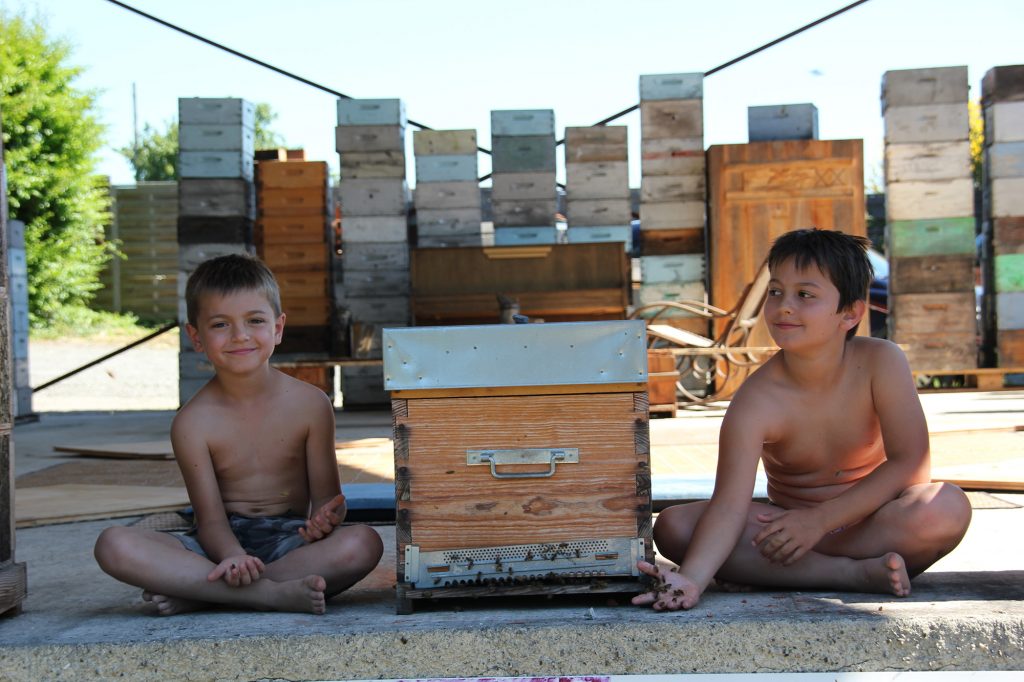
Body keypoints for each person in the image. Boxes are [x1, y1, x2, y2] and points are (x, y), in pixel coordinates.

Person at [633, 228, 972, 611]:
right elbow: (729, 506)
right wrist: (692, 579)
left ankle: (803, 568)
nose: (784, 307)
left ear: (850, 313)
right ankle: (851, 575)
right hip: (784, 534)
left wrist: (820, 521)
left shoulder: (881, 362)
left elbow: (912, 464)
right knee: (674, 527)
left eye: (805, 295)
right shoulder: (755, 402)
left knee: (946, 507)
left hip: (871, 525)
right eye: (775, 291)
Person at [94, 254, 383, 615]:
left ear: (278, 328)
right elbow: (210, 521)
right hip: (216, 546)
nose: (240, 335)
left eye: (255, 321)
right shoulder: (192, 423)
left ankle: (202, 593)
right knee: (113, 544)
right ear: (196, 337)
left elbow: (328, 502)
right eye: (220, 325)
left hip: (289, 542)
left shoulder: (312, 404)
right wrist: (232, 557)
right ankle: (267, 595)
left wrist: (324, 524)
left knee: (364, 543)